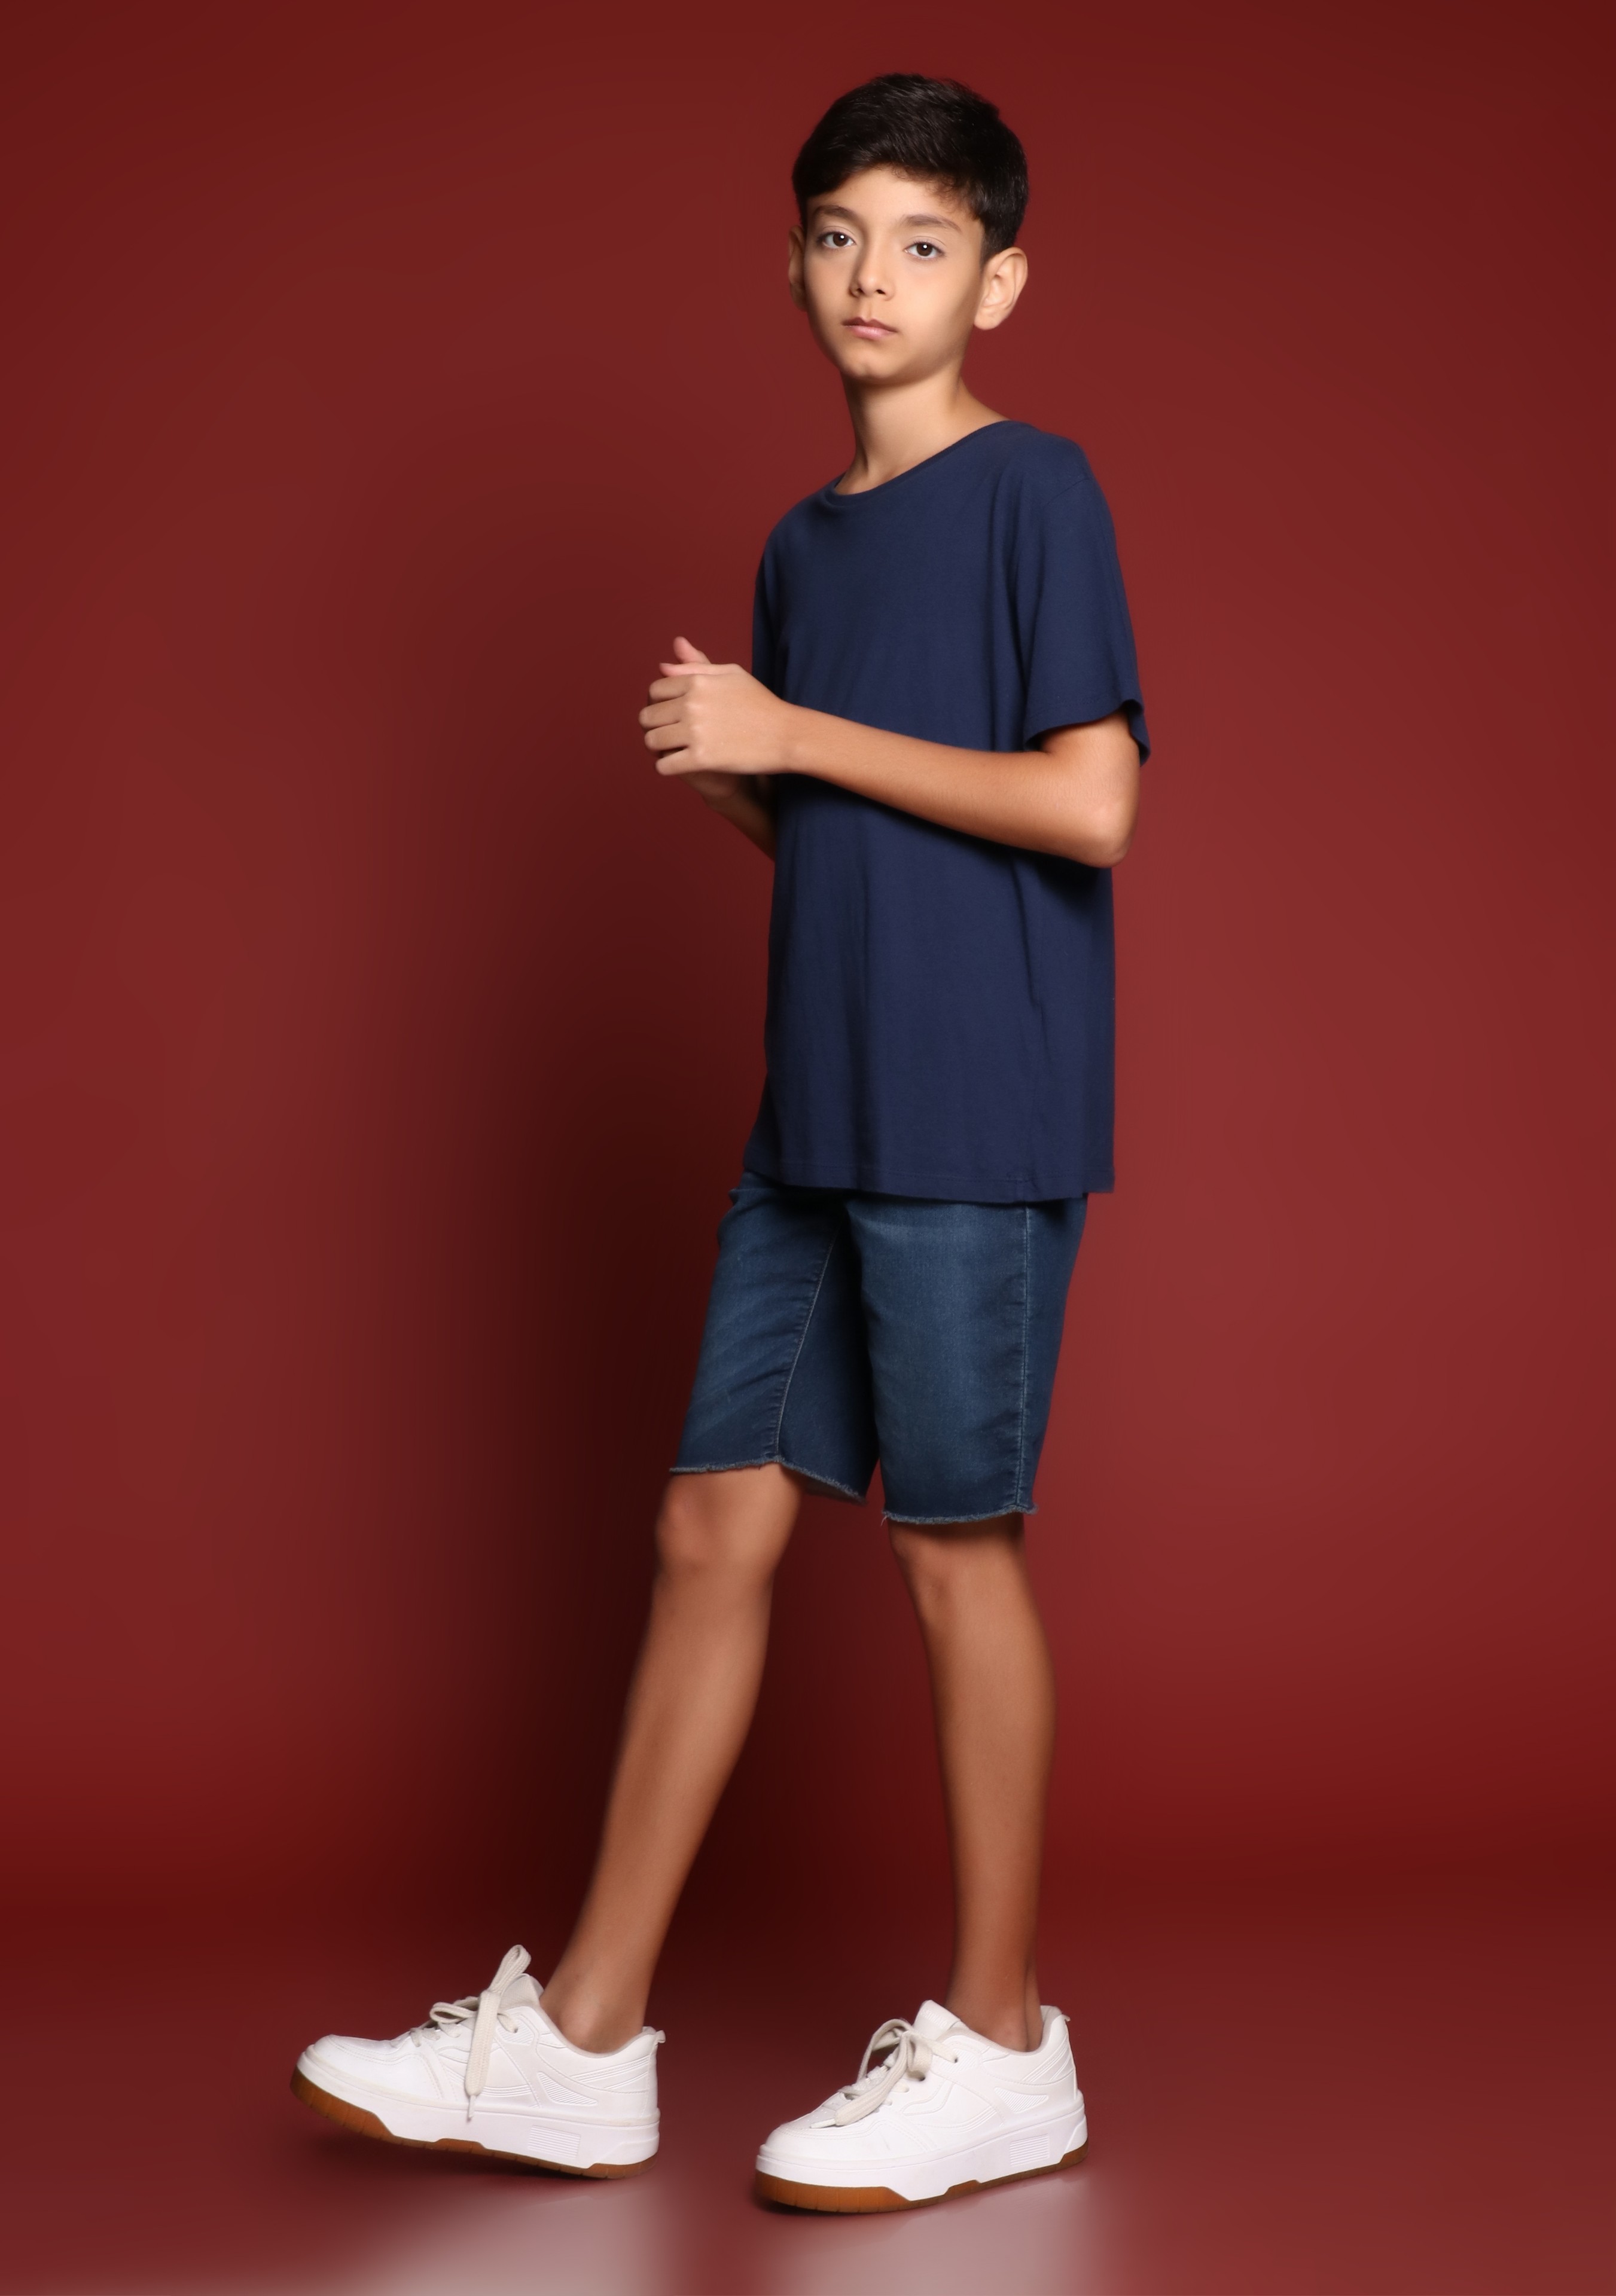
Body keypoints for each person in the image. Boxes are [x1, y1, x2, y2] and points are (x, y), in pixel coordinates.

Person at [292, 72, 1147, 2215]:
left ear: (998, 282)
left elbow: (1086, 803)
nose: (875, 277)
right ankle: (580, 2046)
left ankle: (1003, 2043)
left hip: (969, 1109)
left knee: (951, 1551)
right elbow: (864, 832)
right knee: (706, 1530)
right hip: (812, 1113)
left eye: (923, 243)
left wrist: (792, 734)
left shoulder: (1034, 491)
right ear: (790, 262)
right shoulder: (799, 545)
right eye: (840, 235)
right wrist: (742, 786)